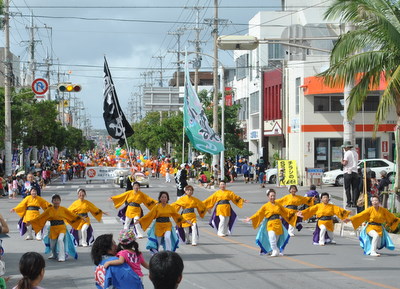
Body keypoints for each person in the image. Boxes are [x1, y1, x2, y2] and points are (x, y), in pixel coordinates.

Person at [28, 194, 83, 262]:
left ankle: (62, 256)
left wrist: (80, 218)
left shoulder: (63, 209)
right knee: (52, 246)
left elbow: (71, 215)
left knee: (60, 240)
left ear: (60, 201)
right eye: (55, 200)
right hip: (53, 229)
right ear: (52, 201)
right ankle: (54, 254)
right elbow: (41, 217)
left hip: (62, 228)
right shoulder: (49, 210)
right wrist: (31, 222)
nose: (56, 201)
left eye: (57, 200)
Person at [244, 189, 297, 257]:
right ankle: (274, 250)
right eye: (271, 196)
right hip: (270, 224)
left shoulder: (278, 205)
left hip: (278, 224)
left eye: (274, 196)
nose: (273, 197)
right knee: (271, 237)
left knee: (276, 240)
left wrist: (296, 213)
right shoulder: (265, 206)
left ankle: (276, 250)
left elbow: (286, 211)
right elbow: (258, 213)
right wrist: (250, 218)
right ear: (268, 197)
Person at [341, 141, 359, 207]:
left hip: (348, 172)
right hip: (355, 172)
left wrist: (341, 162)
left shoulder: (347, 153)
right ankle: (354, 202)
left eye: (344, 147)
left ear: (346, 147)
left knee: (347, 188)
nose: (344, 148)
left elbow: (345, 163)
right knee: (355, 188)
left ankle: (349, 202)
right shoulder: (355, 153)